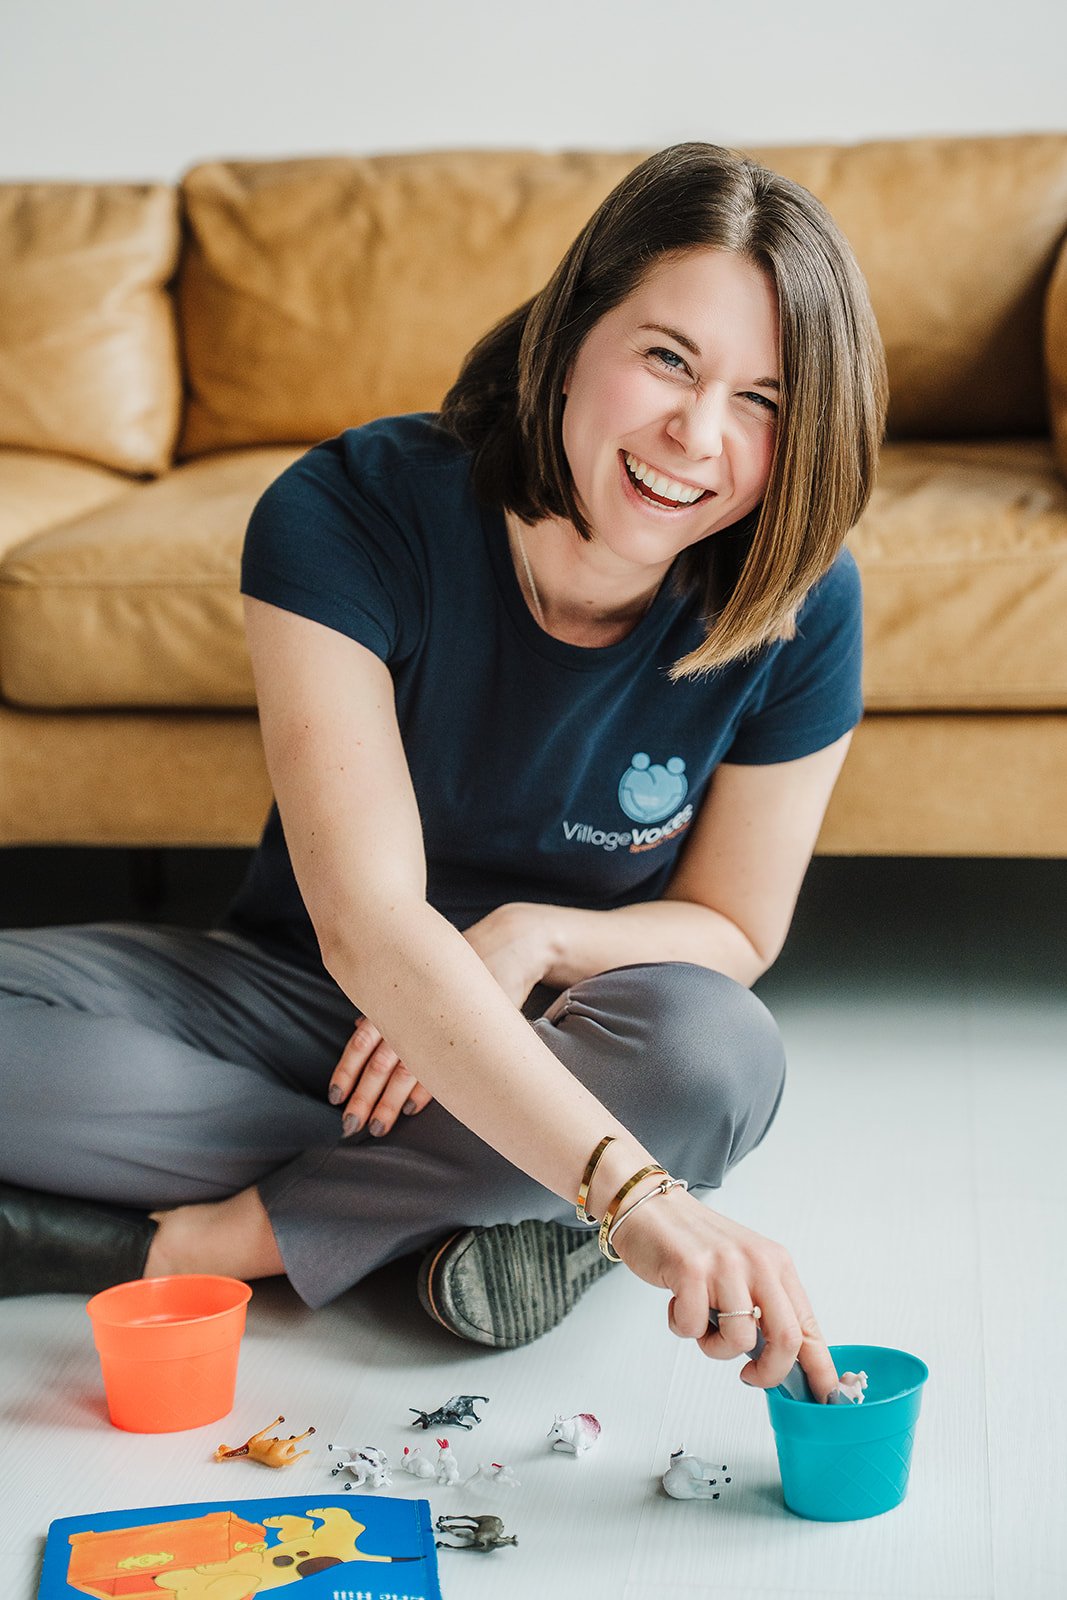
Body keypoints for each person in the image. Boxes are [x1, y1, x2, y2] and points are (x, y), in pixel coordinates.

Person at [0, 143, 886, 1402]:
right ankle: (482, 1203)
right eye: (667, 359)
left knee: (715, 1058)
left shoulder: (804, 601)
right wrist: (627, 1184)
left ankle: (238, 1235)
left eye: (764, 399)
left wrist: (528, 938)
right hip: (304, 997)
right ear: (574, 330)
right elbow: (366, 927)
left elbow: (734, 929)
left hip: (576, 1031)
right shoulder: (346, 508)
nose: (695, 434)